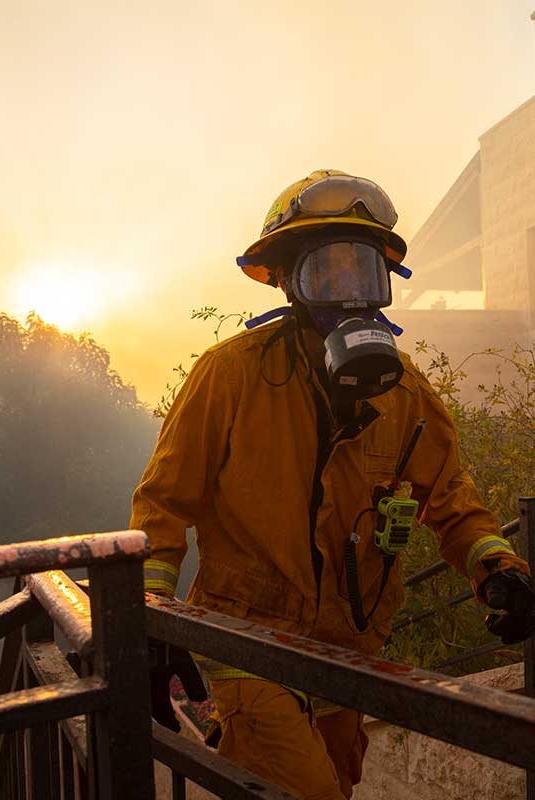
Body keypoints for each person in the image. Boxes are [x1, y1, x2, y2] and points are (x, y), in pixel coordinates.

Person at [130, 169, 535, 800]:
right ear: (290, 282)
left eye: (363, 272)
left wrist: (498, 569)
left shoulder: (407, 395)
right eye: (328, 271)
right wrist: (150, 621)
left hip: (350, 655)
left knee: (335, 786)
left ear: (386, 286)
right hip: (248, 644)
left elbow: (454, 505)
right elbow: (162, 505)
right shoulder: (230, 377)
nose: (348, 294)